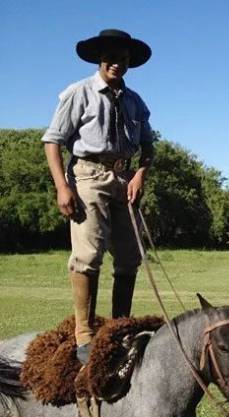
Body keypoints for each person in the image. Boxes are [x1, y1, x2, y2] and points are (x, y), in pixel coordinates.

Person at [42, 29, 154, 364]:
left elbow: (148, 147)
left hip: (123, 178)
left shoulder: (135, 101)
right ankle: (84, 334)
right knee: (88, 256)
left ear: (129, 61)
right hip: (88, 175)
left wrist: (139, 175)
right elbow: (53, 141)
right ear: (100, 58)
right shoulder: (79, 93)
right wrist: (63, 186)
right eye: (111, 57)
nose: (116, 63)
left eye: (123, 57)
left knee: (130, 258)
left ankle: (120, 328)